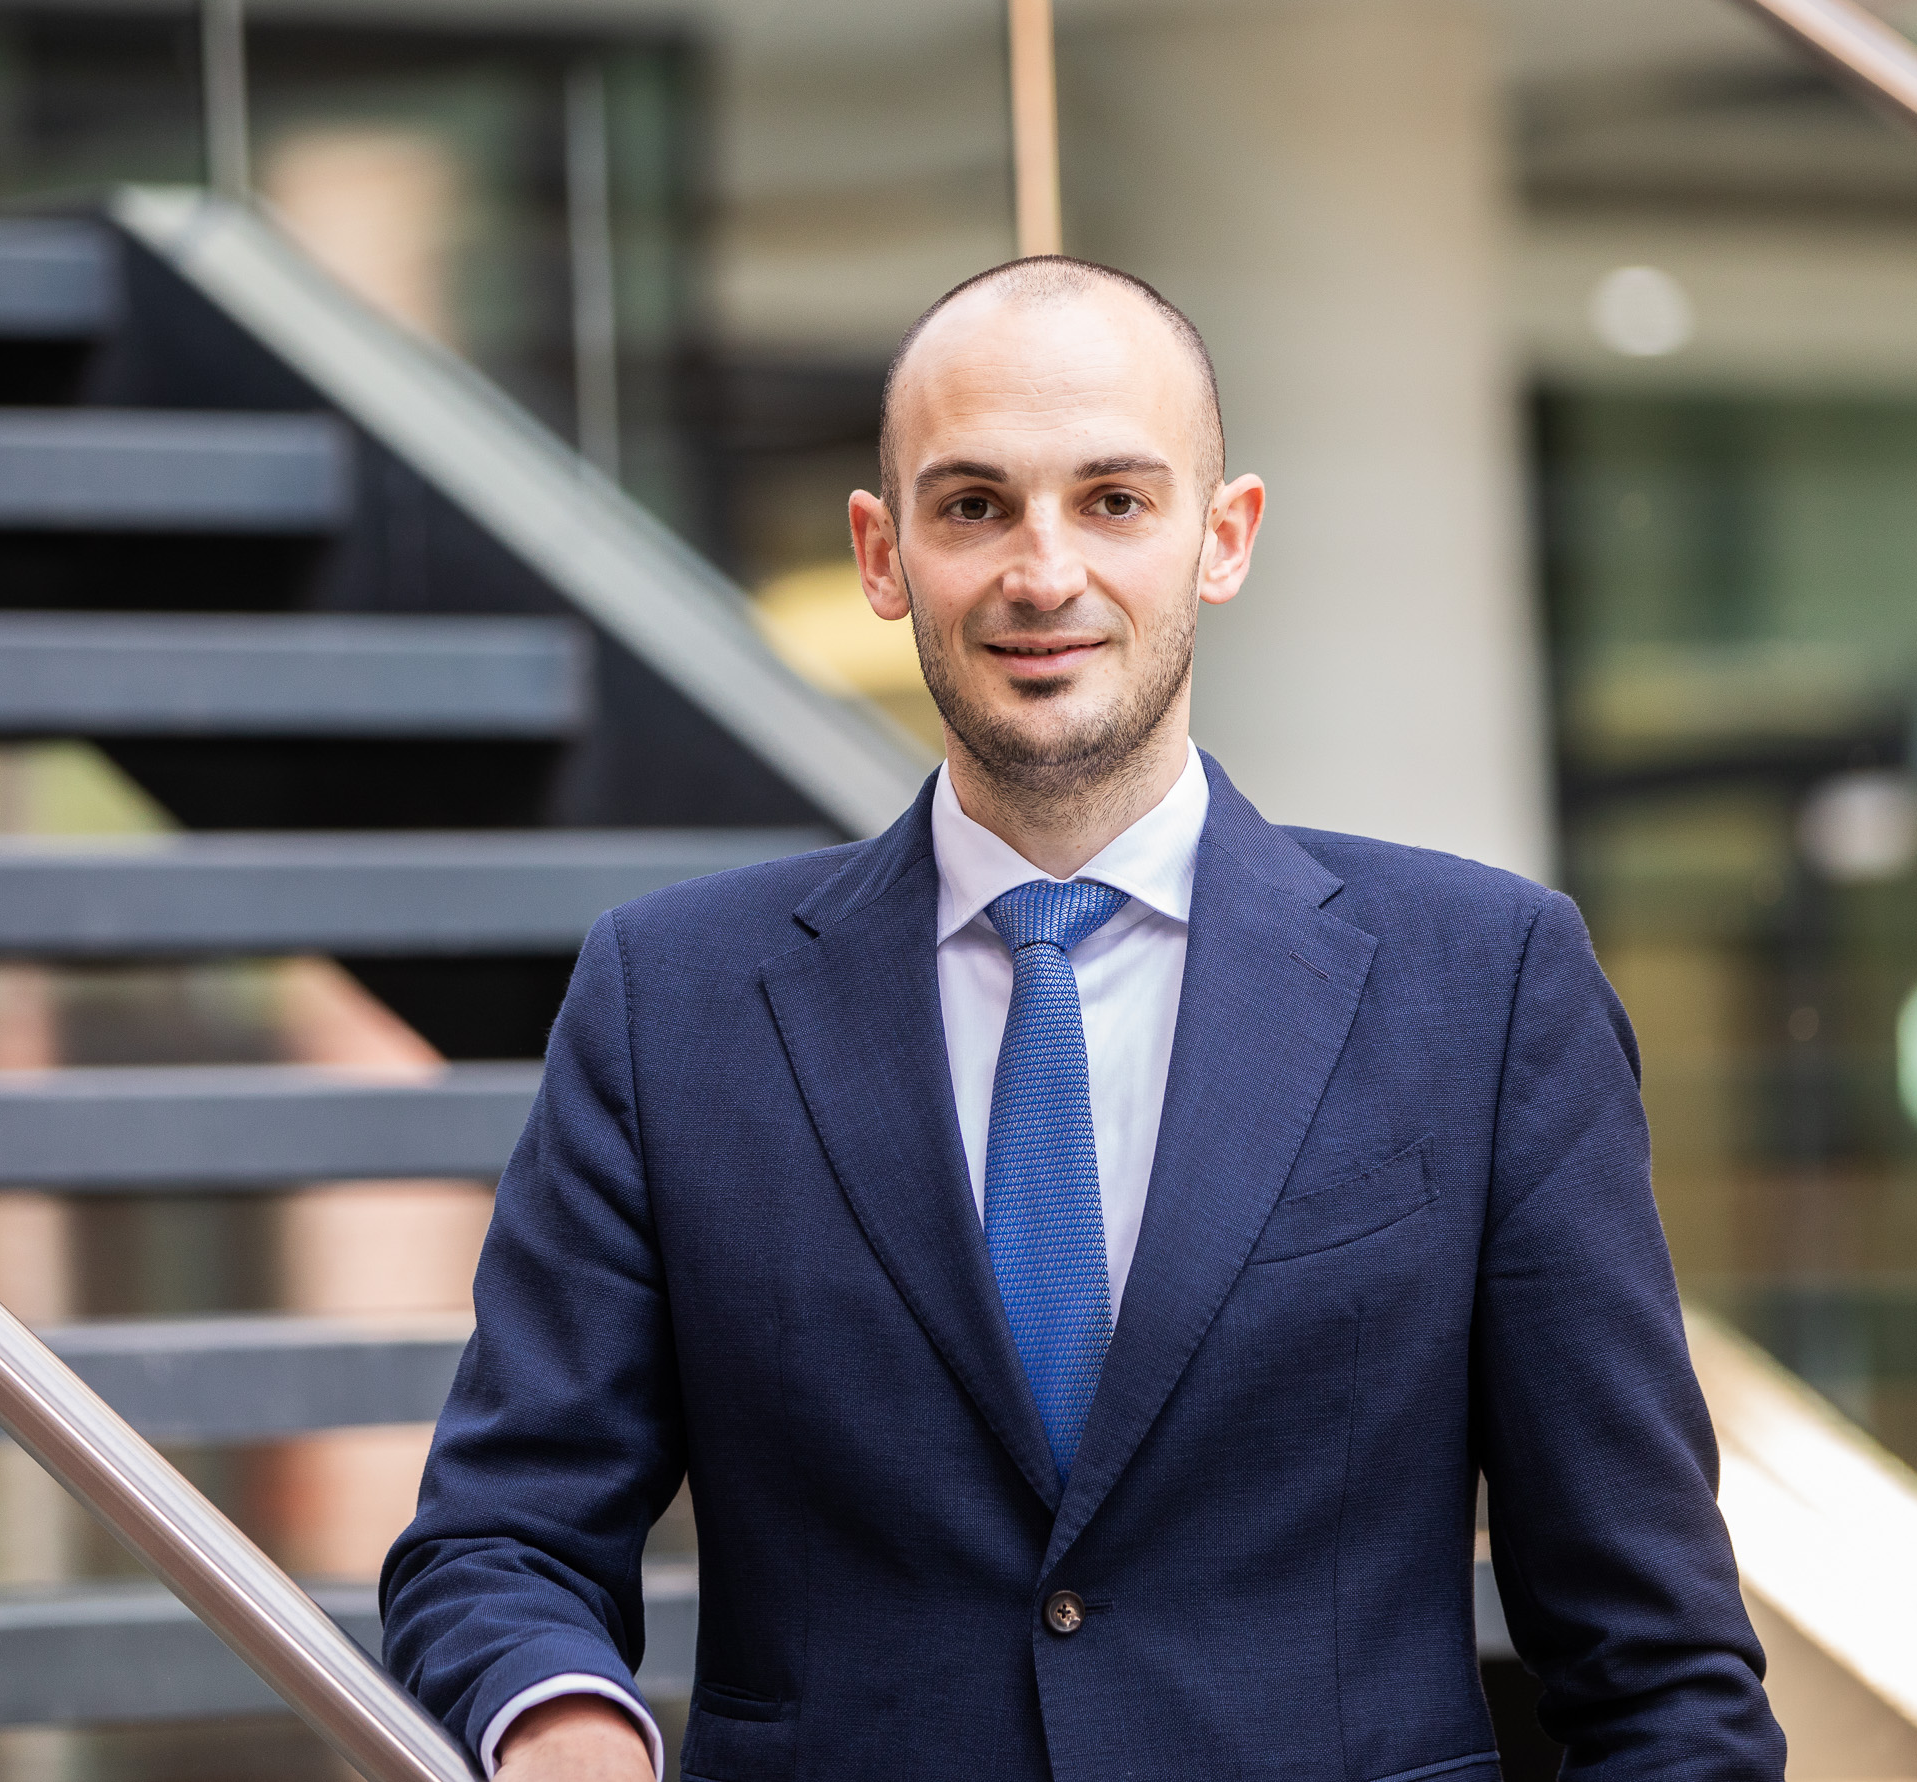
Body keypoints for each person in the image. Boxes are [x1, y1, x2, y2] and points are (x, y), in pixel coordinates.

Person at [382, 256, 1786, 1782]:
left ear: (1222, 536)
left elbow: (1659, 1667)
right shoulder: (673, 1000)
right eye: (973, 505)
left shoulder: (1487, 986)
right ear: (882, 551)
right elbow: (496, 1538)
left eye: (1113, 499)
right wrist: (563, 1720)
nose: (1042, 572)